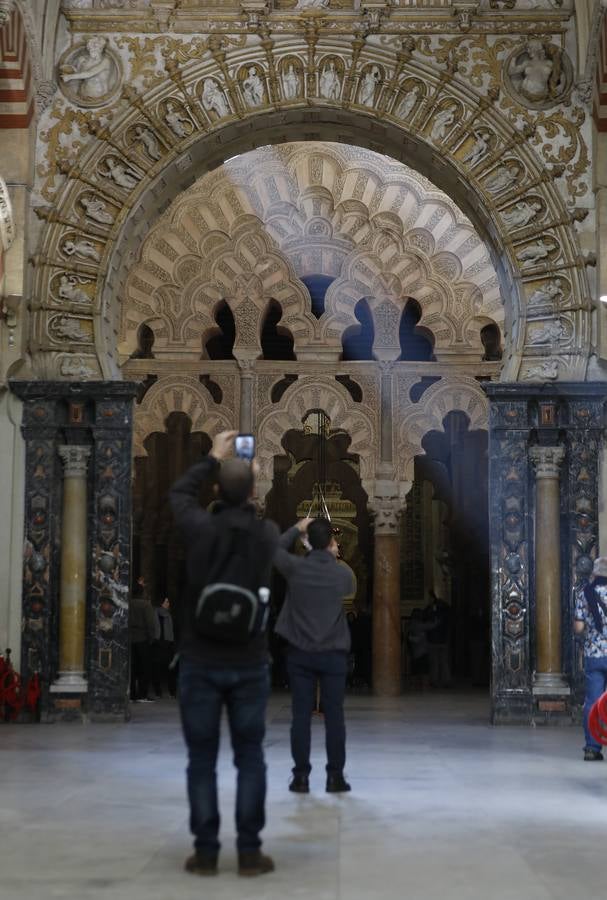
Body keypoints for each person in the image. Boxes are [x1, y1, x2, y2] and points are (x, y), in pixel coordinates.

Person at [169, 431, 279, 878]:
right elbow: (255, 514)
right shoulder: (266, 533)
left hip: (200, 657)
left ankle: (207, 852)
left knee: (201, 759)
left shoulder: (200, 529)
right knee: (250, 756)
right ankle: (250, 852)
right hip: (249, 659)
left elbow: (178, 494)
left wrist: (213, 457)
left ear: (215, 490)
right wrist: (249, 481)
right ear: (254, 492)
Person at [274, 517, 355, 794]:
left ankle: (301, 777)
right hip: (333, 653)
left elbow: (275, 550)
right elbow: (344, 586)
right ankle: (335, 777)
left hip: (300, 653)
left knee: (300, 716)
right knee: (335, 717)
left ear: (307, 542)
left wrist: (296, 528)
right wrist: (332, 554)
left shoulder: (295, 568)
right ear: (331, 543)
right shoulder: (341, 574)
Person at [574, 557, 607, 761]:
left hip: (594, 655)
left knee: (592, 702)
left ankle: (592, 748)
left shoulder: (585, 593)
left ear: (594, 574)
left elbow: (578, 627)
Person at [129, 577, 158, 703]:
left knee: (132, 668)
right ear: (142, 593)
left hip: (130, 639)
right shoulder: (146, 605)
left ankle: (132, 694)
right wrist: (152, 638)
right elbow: (150, 623)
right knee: (144, 668)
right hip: (143, 639)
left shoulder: (127, 604)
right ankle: (142, 695)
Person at [425, 592, 452, 689]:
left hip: (434, 640)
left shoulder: (432, 610)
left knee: (435, 662)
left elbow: (431, 623)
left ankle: (435, 681)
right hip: (443, 640)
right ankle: (446, 681)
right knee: (444, 662)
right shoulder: (446, 610)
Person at [152, 598, 177, 698]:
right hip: (158, 643)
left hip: (168, 643)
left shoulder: (169, 614)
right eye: (166, 601)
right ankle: (158, 691)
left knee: (171, 668)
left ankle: (172, 691)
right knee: (157, 669)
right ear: (161, 603)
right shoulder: (155, 613)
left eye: (168, 601)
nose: (168, 603)